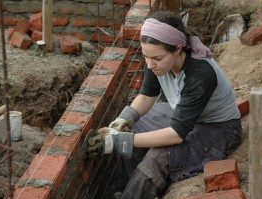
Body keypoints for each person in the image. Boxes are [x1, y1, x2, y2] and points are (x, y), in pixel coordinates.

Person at [86, 10, 242, 199]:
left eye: (156, 58)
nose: (150, 64)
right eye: (146, 57)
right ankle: (128, 186)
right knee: (137, 125)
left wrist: (118, 141)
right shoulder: (157, 59)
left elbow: (176, 135)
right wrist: (124, 120)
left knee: (159, 155)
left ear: (177, 49)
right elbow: (146, 96)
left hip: (218, 129)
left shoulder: (200, 73)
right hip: (189, 117)